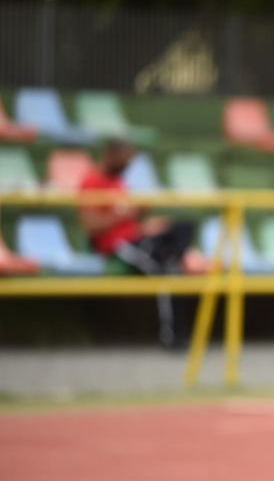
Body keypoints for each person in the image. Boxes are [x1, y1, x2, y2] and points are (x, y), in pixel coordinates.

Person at [78, 138, 205, 348]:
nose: (127, 167)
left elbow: (128, 220)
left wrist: (147, 224)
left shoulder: (118, 183)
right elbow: (91, 226)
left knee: (183, 226)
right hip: (118, 246)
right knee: (168, 274)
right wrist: (129, 215)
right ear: (111, 155)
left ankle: (176, 255)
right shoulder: (92, 182)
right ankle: (173, 337)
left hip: (136, 237)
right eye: (124, 161)